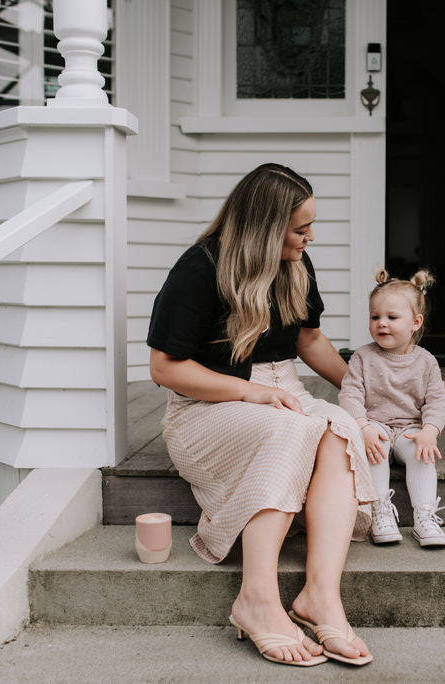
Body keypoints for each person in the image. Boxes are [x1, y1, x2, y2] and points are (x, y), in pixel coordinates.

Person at [147, 163, 376, 667]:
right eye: (300, 229)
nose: (309, 238)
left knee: (338, 429)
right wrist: (248, 393)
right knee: (292, 428)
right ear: (266, 228)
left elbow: (309, 338)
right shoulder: (200, 268)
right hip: (206, 409)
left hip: (282, 397)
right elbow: (165, 367)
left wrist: (364, 395)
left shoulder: (296, 263)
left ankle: (320, 596)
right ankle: (256, 599)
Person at [338, 269, 445, 547]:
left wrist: (430, 430)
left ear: (415, 322)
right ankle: (380, 511)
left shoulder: (425, 362)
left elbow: (437, 400)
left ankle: (425, 516)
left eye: (392, 317)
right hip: (374, 424)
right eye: (375, 317)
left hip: (409, 429)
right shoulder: (363, 357)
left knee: (421, 454)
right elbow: (350, 394)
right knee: (375, 450)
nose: (382, 324)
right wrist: (362, 427)